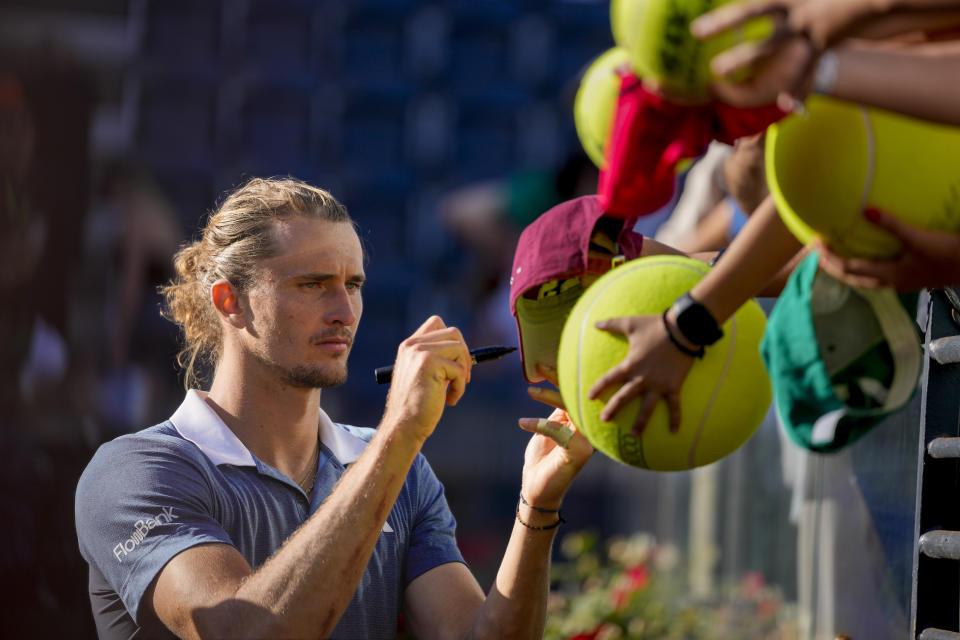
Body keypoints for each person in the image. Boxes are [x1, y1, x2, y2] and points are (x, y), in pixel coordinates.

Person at [74, 177, 593, 639]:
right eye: (312, 284)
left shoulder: (402, 473)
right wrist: (399, 431)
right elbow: (243, 631)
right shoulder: (135, 472)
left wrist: (537, 506)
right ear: (230, 301)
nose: (345, 313)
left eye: (354, 285)